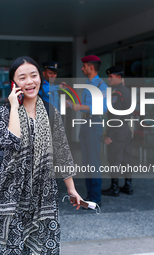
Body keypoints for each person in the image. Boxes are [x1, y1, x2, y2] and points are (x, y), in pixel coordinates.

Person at [0, 56, 82, 254]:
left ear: (41, 77)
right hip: (14, 196)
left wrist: (71, 188)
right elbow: (11, 143)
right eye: (22, 78)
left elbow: (62, 150)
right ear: (14, 83)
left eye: (34, 75)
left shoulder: (50, 111)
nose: (30, 82)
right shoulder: (4, 111)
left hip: (44, 194)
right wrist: (14, 106)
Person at [68, 55, 107, 206]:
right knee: (86, 162)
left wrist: (81, 107)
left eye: (84, 66)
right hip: (85, 123)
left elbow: (102, 109)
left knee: (93, 162)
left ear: (91, 67)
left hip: (94, 123)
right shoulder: (88, 84)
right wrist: (74, 105)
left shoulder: (100, 86)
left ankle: (95, 199)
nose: (82, 68)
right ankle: (90, 194)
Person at [102, 66, 133, 196]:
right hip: (125, 129)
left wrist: (109, 134)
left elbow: (115, 115)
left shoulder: (117, 93)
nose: (109, 79)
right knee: (126, 158)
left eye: (111, 76)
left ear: (118, 77)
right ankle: (128, 186)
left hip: (117, 129)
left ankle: (114, 188)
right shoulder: (126, 91)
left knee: (115, 159)